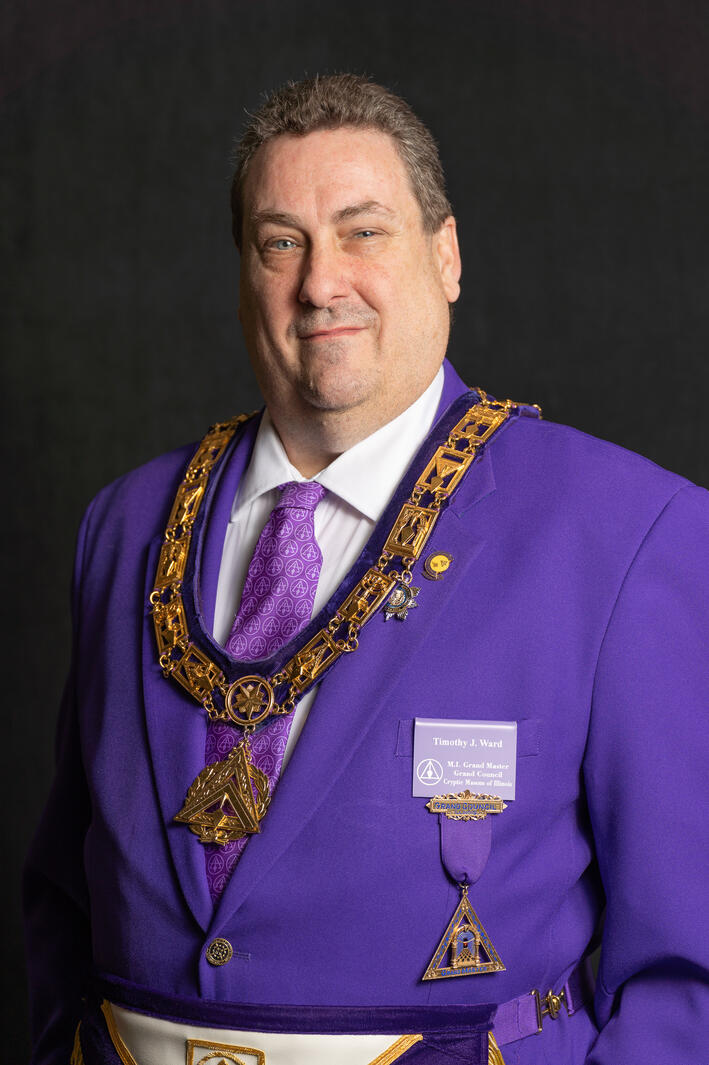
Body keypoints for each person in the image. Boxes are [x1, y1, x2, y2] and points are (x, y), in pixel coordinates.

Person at [24, 73, 709, 1065]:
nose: (318, 282)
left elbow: (686, 977)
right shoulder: (124, 527)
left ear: (446, 256)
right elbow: (62, 903)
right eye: (280, 242)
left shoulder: (625, 532)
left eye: (363, 232)